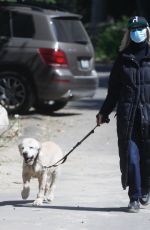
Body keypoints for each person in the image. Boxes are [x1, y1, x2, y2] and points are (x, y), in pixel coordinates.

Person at [96, 16, 150, 213]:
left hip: (149, 116)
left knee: (147, 157)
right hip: (128, 117)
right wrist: (104, 112)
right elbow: (113, 91)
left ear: (147, 30)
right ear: (128, 33)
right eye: (133, 28)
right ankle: (134, 197)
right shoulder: (123, 58)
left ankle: (146, 189)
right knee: (131, 157)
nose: (137, 31)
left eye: (140, 27)